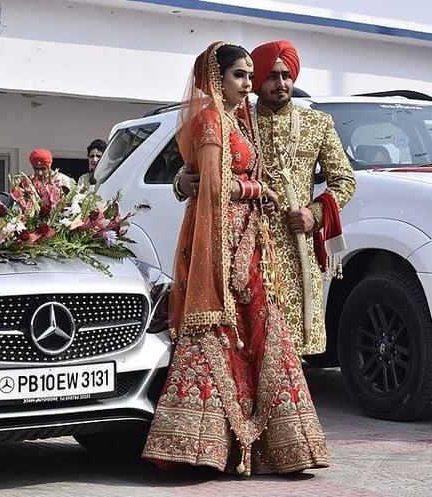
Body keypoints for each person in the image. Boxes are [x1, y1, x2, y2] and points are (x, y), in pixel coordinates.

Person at [142, 41, 330, 475]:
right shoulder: (212, 119)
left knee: (260, 333)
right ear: (216, 78)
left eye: (252, 75)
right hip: (223, 243)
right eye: (241, 75)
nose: (251, 84)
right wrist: (256, 191)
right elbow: (210, 183)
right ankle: (199, 447)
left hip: (253, 241)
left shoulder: (242, 118)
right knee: (223, 334)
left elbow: (214, 171)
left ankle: (278, 447)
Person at [175, 40, 356, 356]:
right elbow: (197, 169)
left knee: (292, 344)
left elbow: (344, 181)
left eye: (286, 75)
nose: (281, 83)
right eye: (271, 76)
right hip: (242, 244)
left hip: (295, 245)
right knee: (248, 342)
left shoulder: (317, 123)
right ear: (256, 79)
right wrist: (182, 181)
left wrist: (315, 213)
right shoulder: (235, 117)